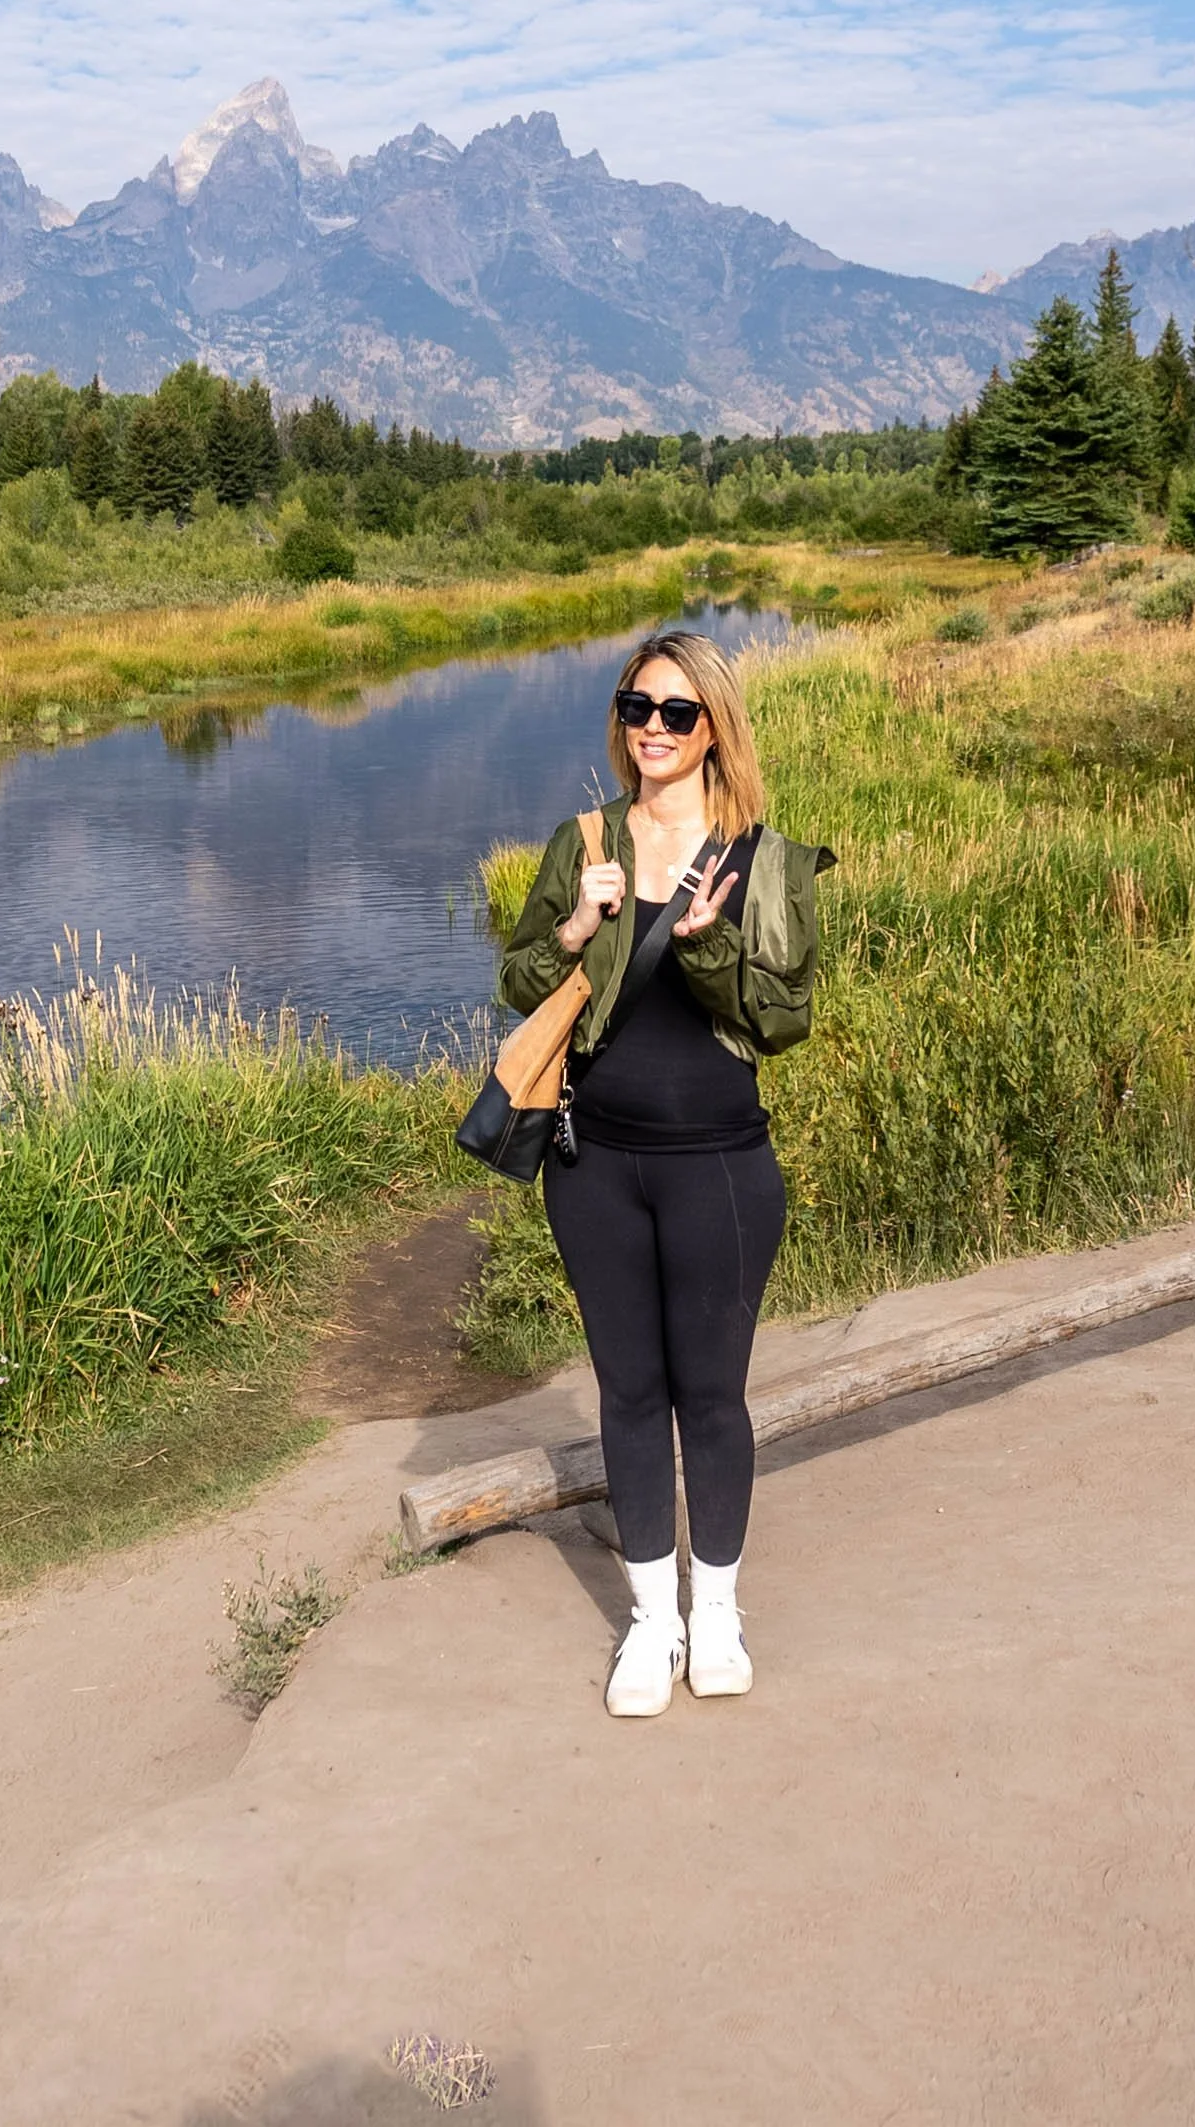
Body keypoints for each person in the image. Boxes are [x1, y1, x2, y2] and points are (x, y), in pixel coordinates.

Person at [498, 628, 833, 1719]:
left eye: (677, 712)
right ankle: (651, 1620)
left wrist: (702, 943)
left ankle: (717, 1609)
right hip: (594, 1164)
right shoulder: (583, 838)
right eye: (637, 705)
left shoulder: (764, 860)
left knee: (712, 1394)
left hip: (719, 1168)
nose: (652, 726)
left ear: (714, 726)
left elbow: (784, 1019)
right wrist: (577, 920)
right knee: (630, 1392)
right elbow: (516, 978)